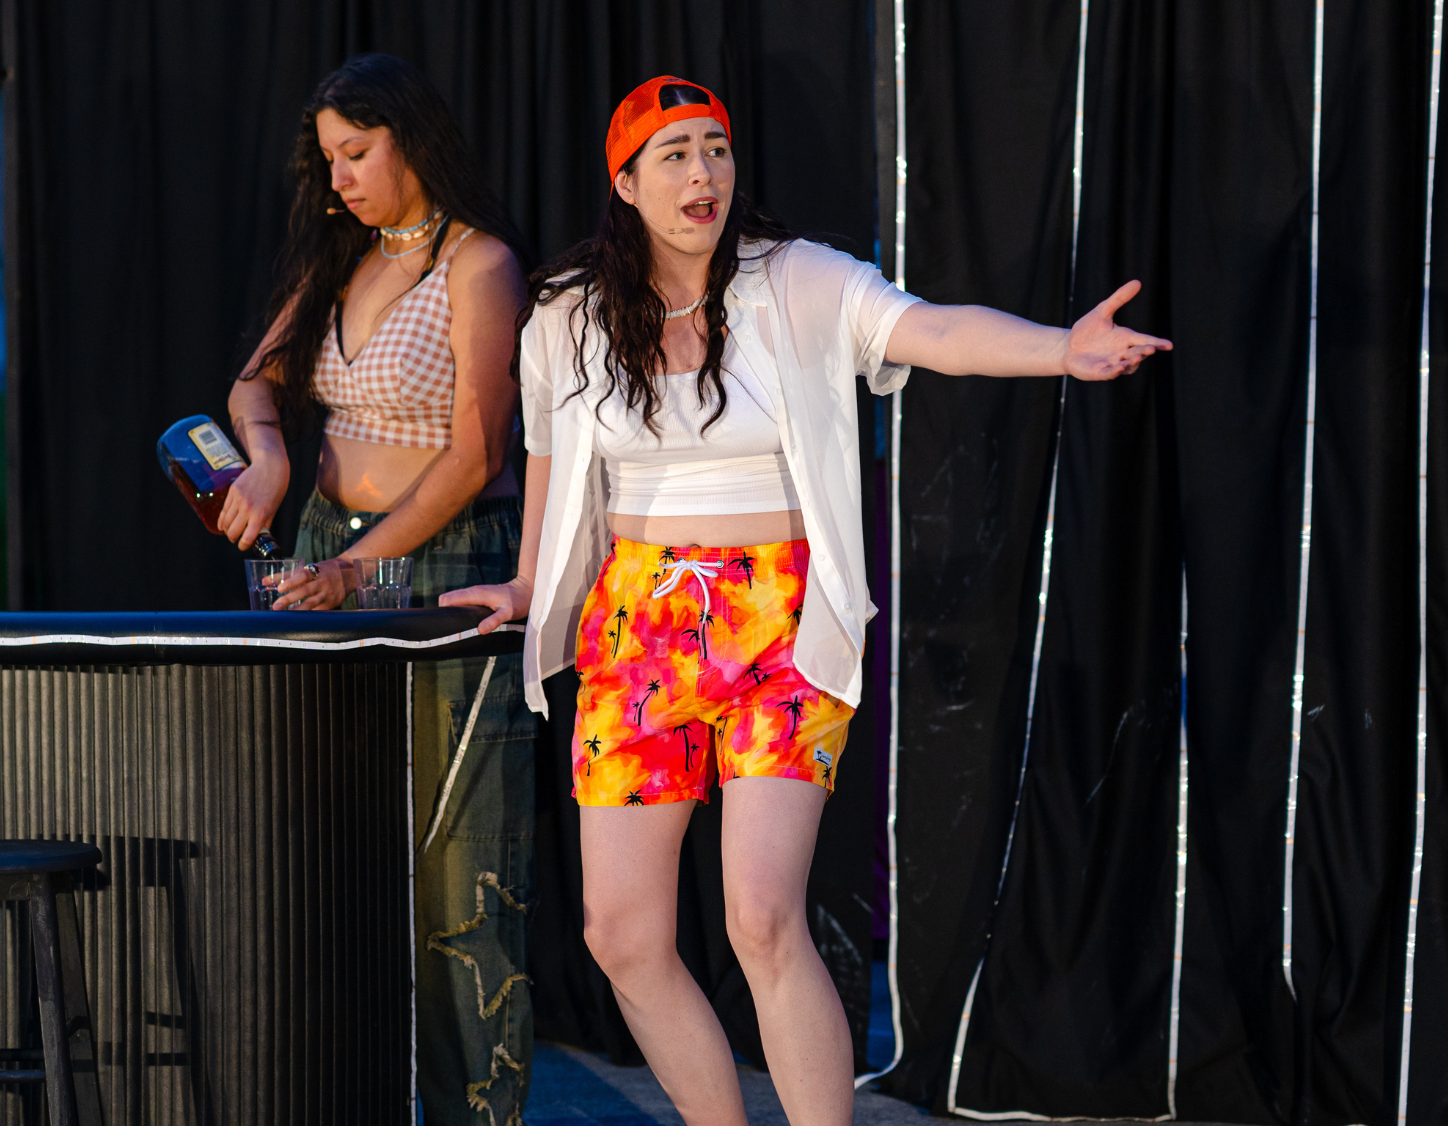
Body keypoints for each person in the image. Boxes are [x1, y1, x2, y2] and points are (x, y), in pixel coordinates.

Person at [443, 76, 1169, 1126]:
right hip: (638, 625)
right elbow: (553, 461)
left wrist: (1059, 349)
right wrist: (524, 583)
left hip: (778, 620)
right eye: (675, 155)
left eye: (715, 149)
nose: (702, 174)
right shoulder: (565, 316)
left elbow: (934, 331)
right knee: (621, 935)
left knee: (760, 915)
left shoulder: (799, 281)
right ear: (625, 181)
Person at [217, 53, 536, 1126]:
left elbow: (474, 450)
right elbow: (252, 382)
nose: (341, 177)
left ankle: (470, 1113)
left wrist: (361, 565)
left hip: (433, 565)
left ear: (411, 138)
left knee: (457, 869)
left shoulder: (479, 264)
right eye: (329, 160)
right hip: (321, 554)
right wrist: (263, 457)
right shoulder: (340, 258)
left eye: (358, 153)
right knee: (326, 842)